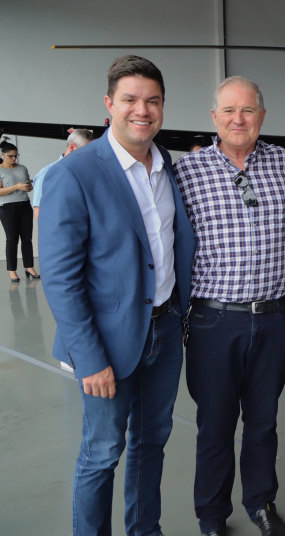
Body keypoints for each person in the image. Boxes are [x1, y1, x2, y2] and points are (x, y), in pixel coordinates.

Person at [38, 54, 195, 536]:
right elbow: (60, 278)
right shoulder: (76, 174)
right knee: (102, 452)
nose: (141, 110)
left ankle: (144, 530)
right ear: (109, 104)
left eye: (152, 100)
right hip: (107, 343)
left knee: (152, 444)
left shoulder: (169, 166)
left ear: (163, 107)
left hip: (165, 332)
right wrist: (89, 358)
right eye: (130, 99)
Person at [174, 76, 285, 536]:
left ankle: (260, 502)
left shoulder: (284, 163)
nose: (238, 119)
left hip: (272, 317)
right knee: (215, 425)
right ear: (213, 118)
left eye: (247, 110)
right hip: (214, 320)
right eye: (228, 110)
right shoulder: (187, 172)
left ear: (262, 117)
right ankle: (211, 515)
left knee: (263, 421)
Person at [33, 128, 95, 218]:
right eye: (86, 152)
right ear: (72, 147)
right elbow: (39, 212)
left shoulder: (86, 172)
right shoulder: (47, 173)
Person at [0, 142, 38, 281]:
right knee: (12, 239)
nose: (14, 159)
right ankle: (12, 270)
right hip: (7, 207)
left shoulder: (22, 168)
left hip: (24, 205)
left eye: (16, 156)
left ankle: (29, 267)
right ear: (3, 154)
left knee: (27, 238)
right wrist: (16, 187)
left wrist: (28, 187)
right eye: (11, 156)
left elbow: (27, 185)